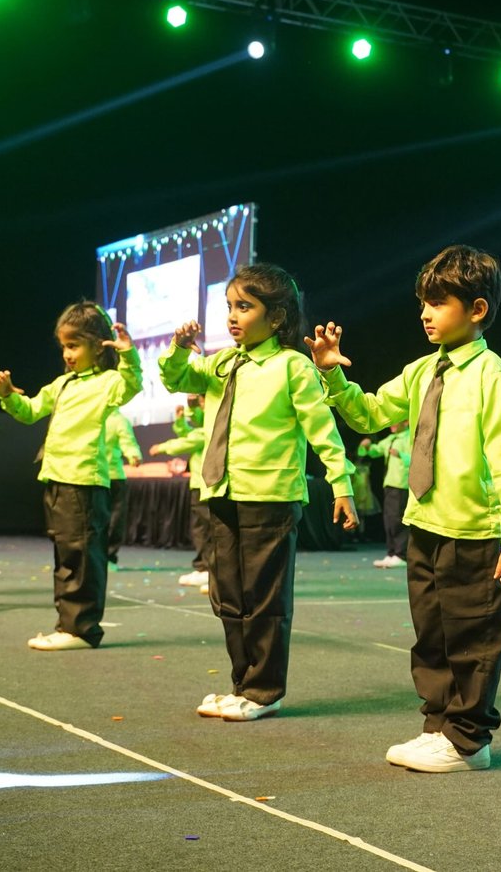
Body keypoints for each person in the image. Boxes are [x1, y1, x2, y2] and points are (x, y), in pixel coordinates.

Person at [308, 244, 501, 773]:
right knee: (431, 634)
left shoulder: (490, 373)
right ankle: (438, 728)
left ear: (477, 309)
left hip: (474, 529)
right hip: (425, 523)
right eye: (423, 303)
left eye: (439, 302)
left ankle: (469, 741)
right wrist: (333, 375)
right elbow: (370, 414)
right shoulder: (422, 371)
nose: (426, 314)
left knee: (472, 636)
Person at [162, 263, 357, 721]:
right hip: (222, 491)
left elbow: (323, 430)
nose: (233, 315)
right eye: (229, 306)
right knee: (228, 596)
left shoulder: (293, 366)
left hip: (271, 496)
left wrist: (341, 484)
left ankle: (264, 691)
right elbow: (177, 379)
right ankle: (242, 685)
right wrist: (178, 349)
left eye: (245, 307)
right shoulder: (221, 363)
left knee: (265, 599)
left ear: (277, 318)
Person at [0, 302, 142, 650]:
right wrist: (8, 396)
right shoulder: (62, 383)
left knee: (82, 556)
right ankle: (68, 625)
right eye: (64, 346)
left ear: (98, 346)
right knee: (66, 556)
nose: (67, 353)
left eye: (74, 345)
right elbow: (31, 410)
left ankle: (82, 628)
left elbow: (131, 385)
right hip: (56, 478)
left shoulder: (108, 382)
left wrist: (129, 355)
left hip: (84, 482)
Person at [150, 398, 210, 591]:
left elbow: (190, 440)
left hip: (206, 485)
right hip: (200, 484)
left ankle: (209, 570)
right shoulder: (206, 427)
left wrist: (162, 447)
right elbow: (191, 434)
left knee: (205, 529)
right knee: (201, 528)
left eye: (202, 401)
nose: (200, 405)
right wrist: (181, 421)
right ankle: (204, 568)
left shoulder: (212, 426)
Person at [358, 422, 411, 568]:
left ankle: (401, 554)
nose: (391, 424)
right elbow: (375, 451)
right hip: (389, 483)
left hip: (401, 484)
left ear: (405, 422)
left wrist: (401, 455)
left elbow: (417, 459)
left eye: (395, 421)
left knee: (397, 519)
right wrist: (366, 447)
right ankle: (391, 552)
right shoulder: (390, 439)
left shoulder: (409, 438)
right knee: (389, 519)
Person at [104, 406, 143, 570]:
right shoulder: (95, 416)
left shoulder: (118, 420)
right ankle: (99, 557)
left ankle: (109, 557)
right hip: (93, 476)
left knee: (115, 519)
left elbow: (128, 442)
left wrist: (133, 455)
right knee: (98, 520)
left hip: (112, 476)